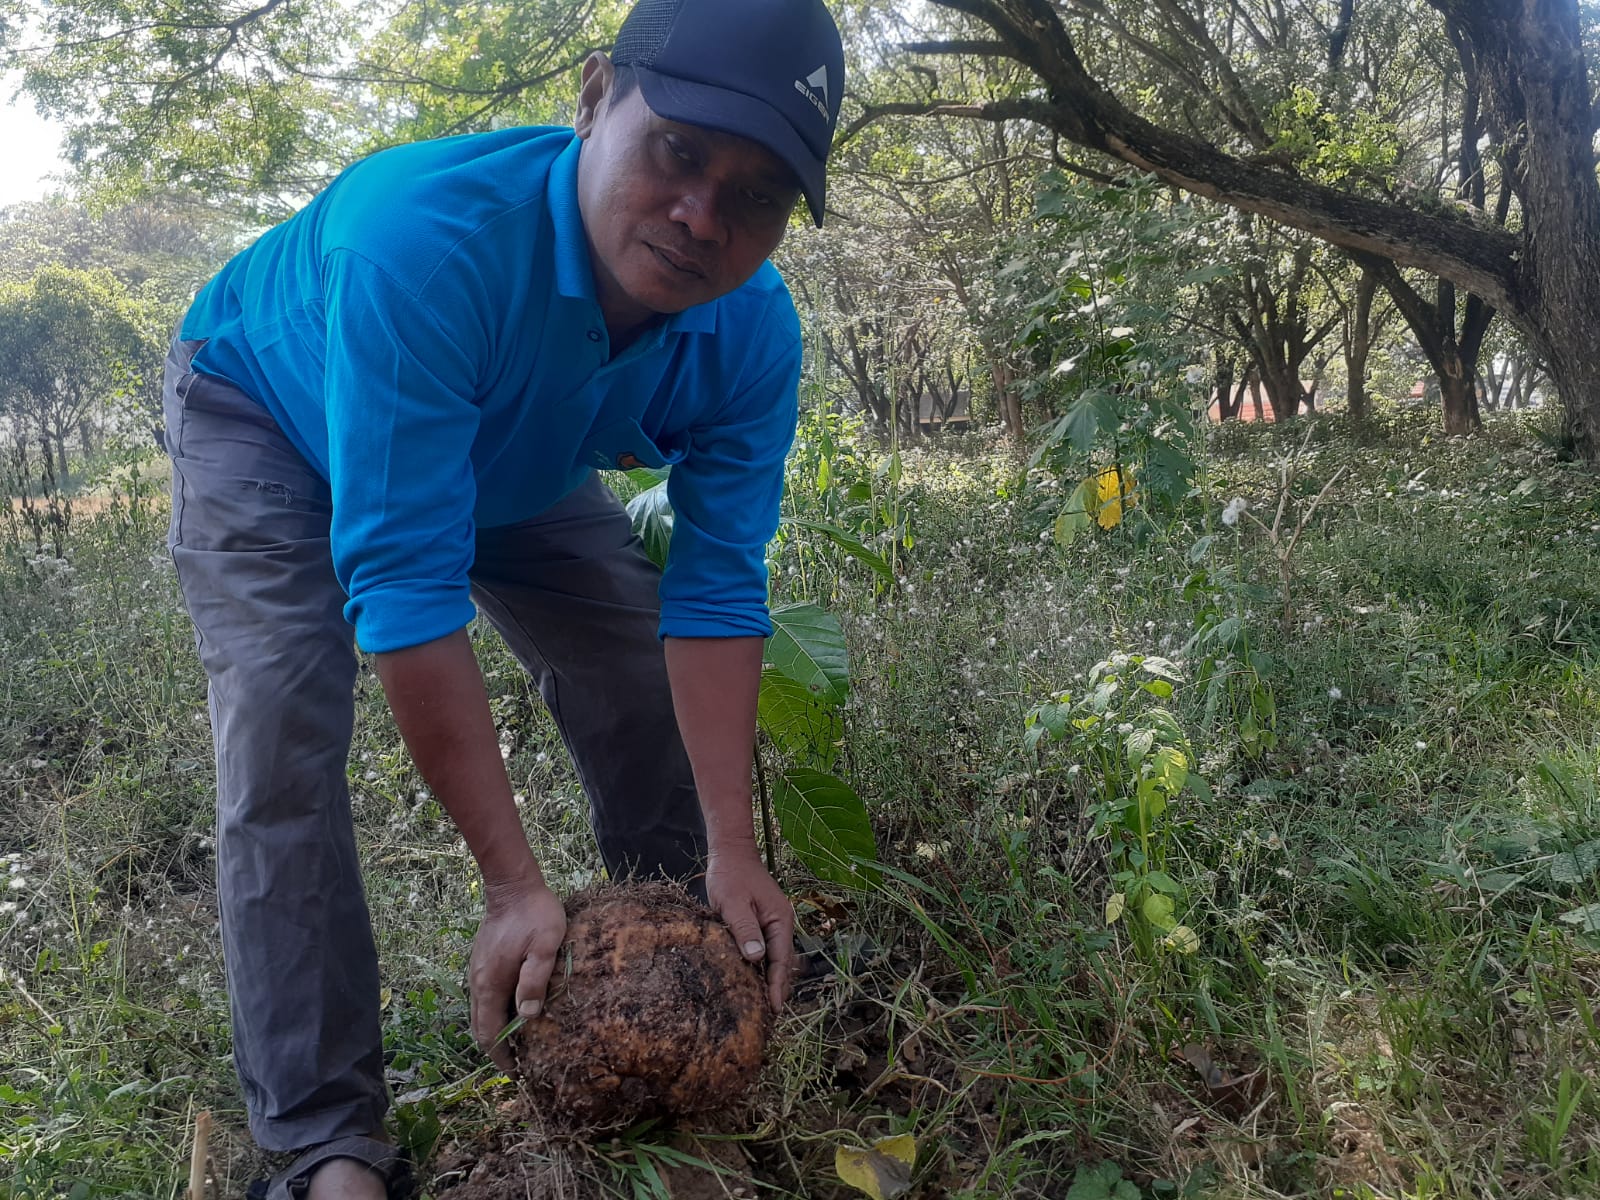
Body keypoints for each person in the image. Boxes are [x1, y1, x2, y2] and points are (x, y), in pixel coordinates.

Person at [160, 0, 844, 1194]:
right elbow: (406, 583)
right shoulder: (420, 241)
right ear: (591, 101)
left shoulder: (750, 334)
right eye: (679, 152)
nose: (700, 219)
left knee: (632, 660)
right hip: (270, 415)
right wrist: (512, 883)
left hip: (513, 453)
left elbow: (719, 592)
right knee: (281, 728)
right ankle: (325, 1139)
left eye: (755, 197)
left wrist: (738, 846)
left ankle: (693, 975)